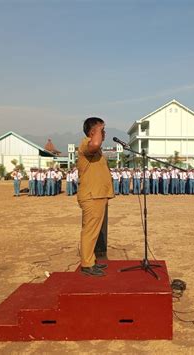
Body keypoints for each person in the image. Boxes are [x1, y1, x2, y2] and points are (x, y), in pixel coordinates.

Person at [77, 117, 114, 277]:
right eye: (101, 130)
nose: (104, 133)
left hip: (98, 195)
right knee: (90, 231)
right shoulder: (86, 143)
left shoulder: (95, 149)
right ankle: (86, 264)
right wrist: (99, 128)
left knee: (94, 231)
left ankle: (90, 261)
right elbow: (95, 143)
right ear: (93, 132)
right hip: (92, 196)